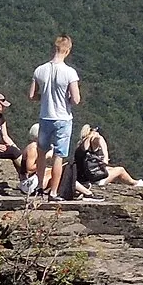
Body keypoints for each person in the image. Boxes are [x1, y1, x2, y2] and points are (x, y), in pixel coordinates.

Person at [28, 34, 82, 202]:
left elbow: (31, 95)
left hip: (45, 116)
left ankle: (38, 188)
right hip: (63, 117)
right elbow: (76, 99)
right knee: (59, 155)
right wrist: (66, 100)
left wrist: (44, 97)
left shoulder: (40, 70)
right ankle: (53, 193)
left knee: (42, 153)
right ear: (68, 50)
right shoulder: (69, 72)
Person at [74, 124, 143, 193]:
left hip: (84, 178)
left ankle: (131, 182)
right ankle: (135, 183)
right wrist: (105, 156)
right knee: (120, 170)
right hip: (95, 179)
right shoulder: (92, 141)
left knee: (111, 169)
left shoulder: (80, 145)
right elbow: (97, 138)